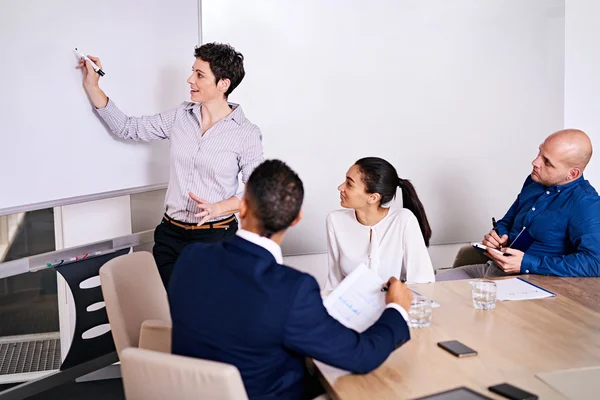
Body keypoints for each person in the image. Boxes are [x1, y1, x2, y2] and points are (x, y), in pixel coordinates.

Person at [168, 160, 413, 400]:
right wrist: (396, 308)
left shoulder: (191, 257)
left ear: (242, 208)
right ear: (296, 219)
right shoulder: (292, 290)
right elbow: (361, 356)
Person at [77, 43, 264, 287]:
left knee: (202, 312)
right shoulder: (180, 117)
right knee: (170, 312)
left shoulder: (246, 133)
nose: (190, 80)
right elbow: (128, 127)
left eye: (199, 75)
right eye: (192, 71)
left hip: (214, 237)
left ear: (223, 84)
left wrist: (219, 207)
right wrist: (92, 86)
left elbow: (257, 192)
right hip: (170, 235)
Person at [437, 129, 600, 280]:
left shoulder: (586, 204)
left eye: (547, 162)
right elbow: (507, 222)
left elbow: (595, 263)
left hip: (531, 283)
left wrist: (527, 264)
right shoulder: (535, 181)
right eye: (539, 152)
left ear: (573, 173)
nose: (535, 162)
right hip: (492, 270)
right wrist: (497, 236)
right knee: (423, 287)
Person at [326, 157, 435, 289]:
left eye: (349, 184)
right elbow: (334, 282)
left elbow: (423, 281)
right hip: (352, 306)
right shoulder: (335, 220)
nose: (340, 187)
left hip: (395, 304)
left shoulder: (403, 220)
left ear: (373, 197)